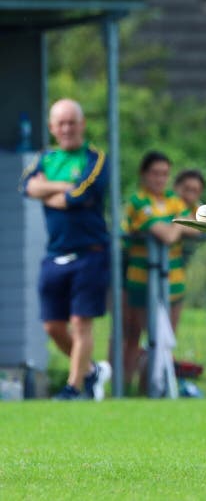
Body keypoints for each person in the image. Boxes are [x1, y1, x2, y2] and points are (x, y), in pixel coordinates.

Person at [20, 98, 112, 400]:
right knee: (52, 325)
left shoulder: (95, 158)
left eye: (72, 122)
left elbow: (81, 195)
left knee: (80, 321)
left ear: (82, 125)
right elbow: (26, 186)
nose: (67, 128)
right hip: (55, 253)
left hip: (91, 252)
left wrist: (48, 190)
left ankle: (74, 388)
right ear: (52, 128)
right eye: (61, 123)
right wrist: (64, 188)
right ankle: (91, 372)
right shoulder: (45, 158)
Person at [123, 151, 193, 394]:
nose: (160, 179)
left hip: (174, 280)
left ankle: (154, 388)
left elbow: (196, 225)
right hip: (143, 281)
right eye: (155, 173)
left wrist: (177, 222)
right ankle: (127, 389)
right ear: (144, 175)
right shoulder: (138, 201)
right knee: (143, 337)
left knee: (165, 339)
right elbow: (168, 234)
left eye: (165, 174)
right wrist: (179, 223)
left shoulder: (173, 199)